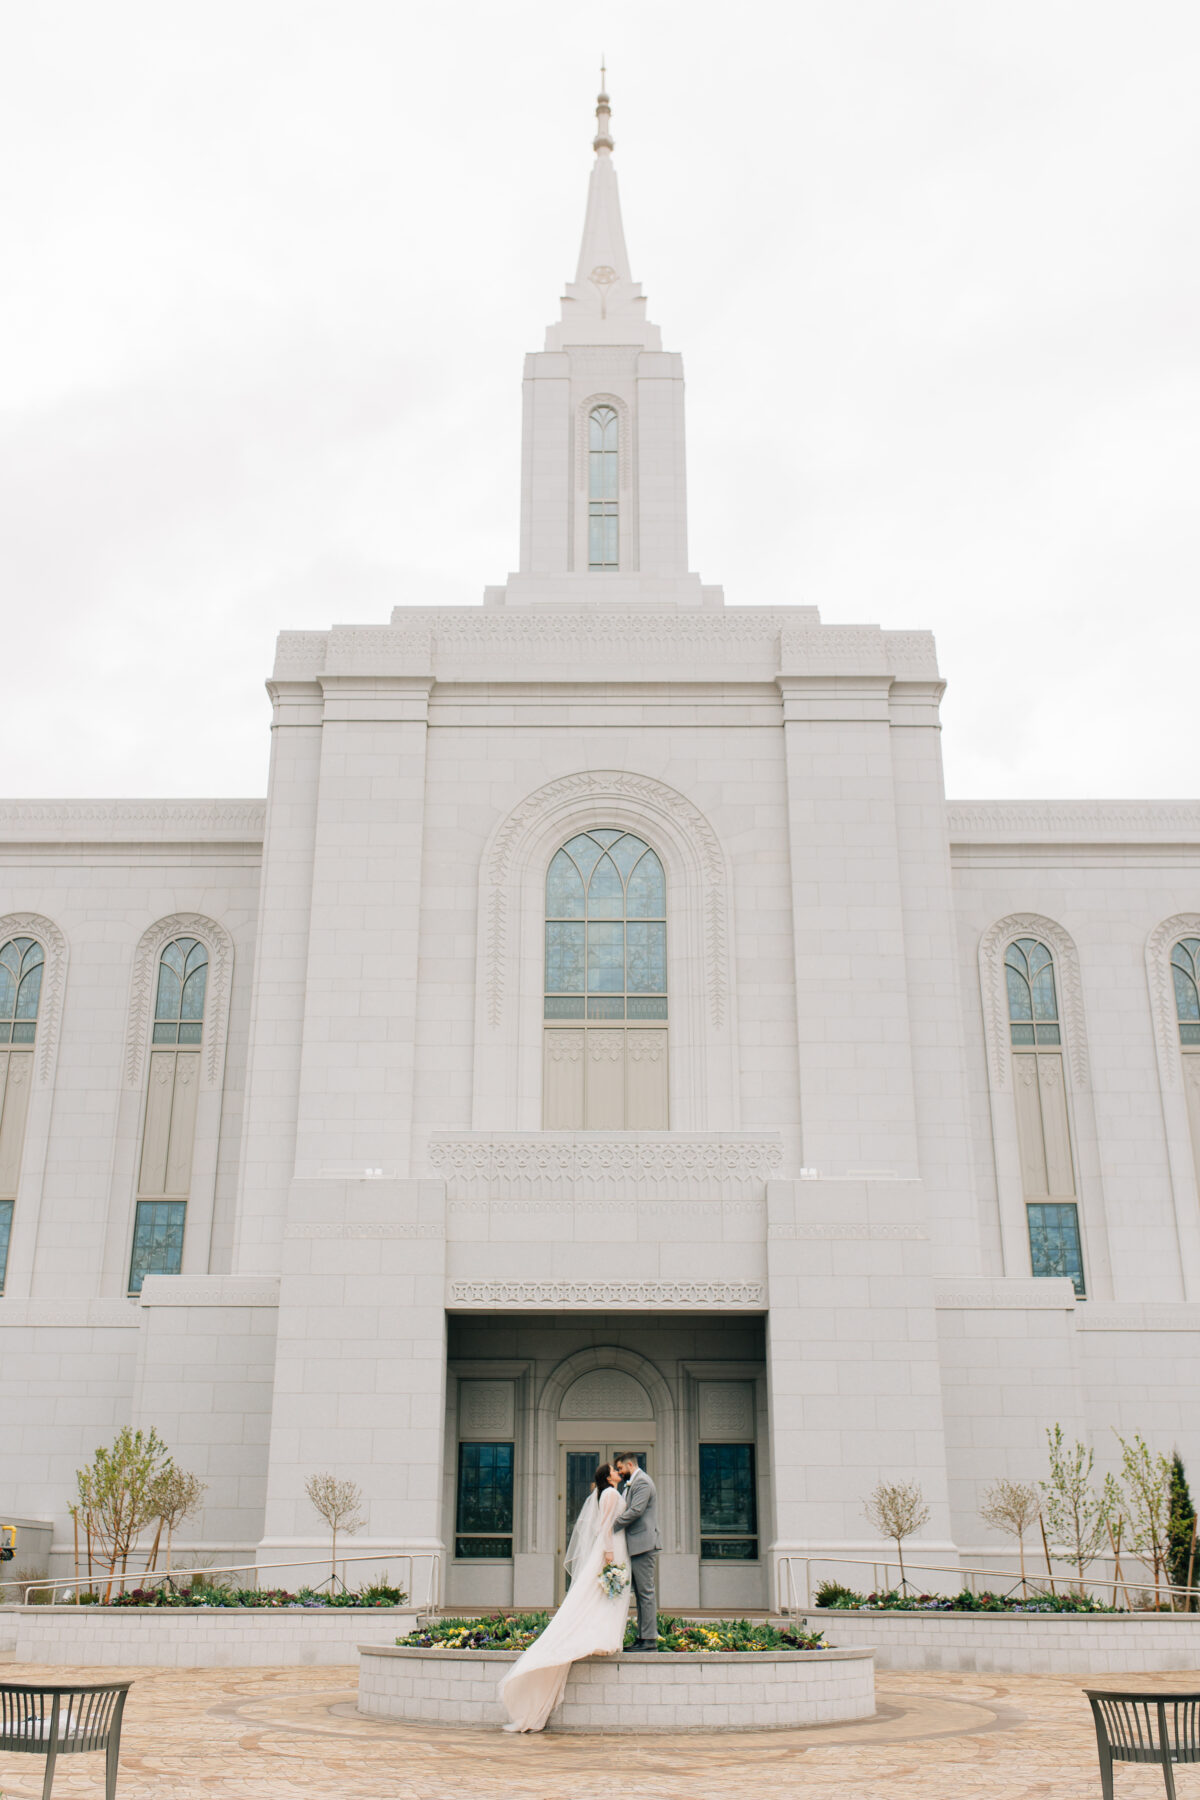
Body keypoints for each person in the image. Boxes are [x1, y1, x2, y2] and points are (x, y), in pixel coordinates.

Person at [498, 1462, 632, 1733]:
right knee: (601, 1594)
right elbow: (605, 1524)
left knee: (606, 1595)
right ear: (608, 1476)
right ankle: (602, 1638)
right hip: (610, 1548)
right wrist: (608, 1551)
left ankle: (605, 1637)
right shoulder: (609, 1494)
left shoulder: (609, 1493)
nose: (619, 1471)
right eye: (615, 1470)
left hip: (615, 1546)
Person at [613, 1453, 661, 1651]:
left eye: (620, 1468)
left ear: (630, 1465)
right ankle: (643, 1637)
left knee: (646, 1593)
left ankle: (649, 1640)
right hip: (636, 1545)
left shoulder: (643, 1483)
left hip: (643, 1545)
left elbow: (635, 1511)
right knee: (641, 1594)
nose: (619, 1472)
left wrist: (611, 1526)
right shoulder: (633, 1483)